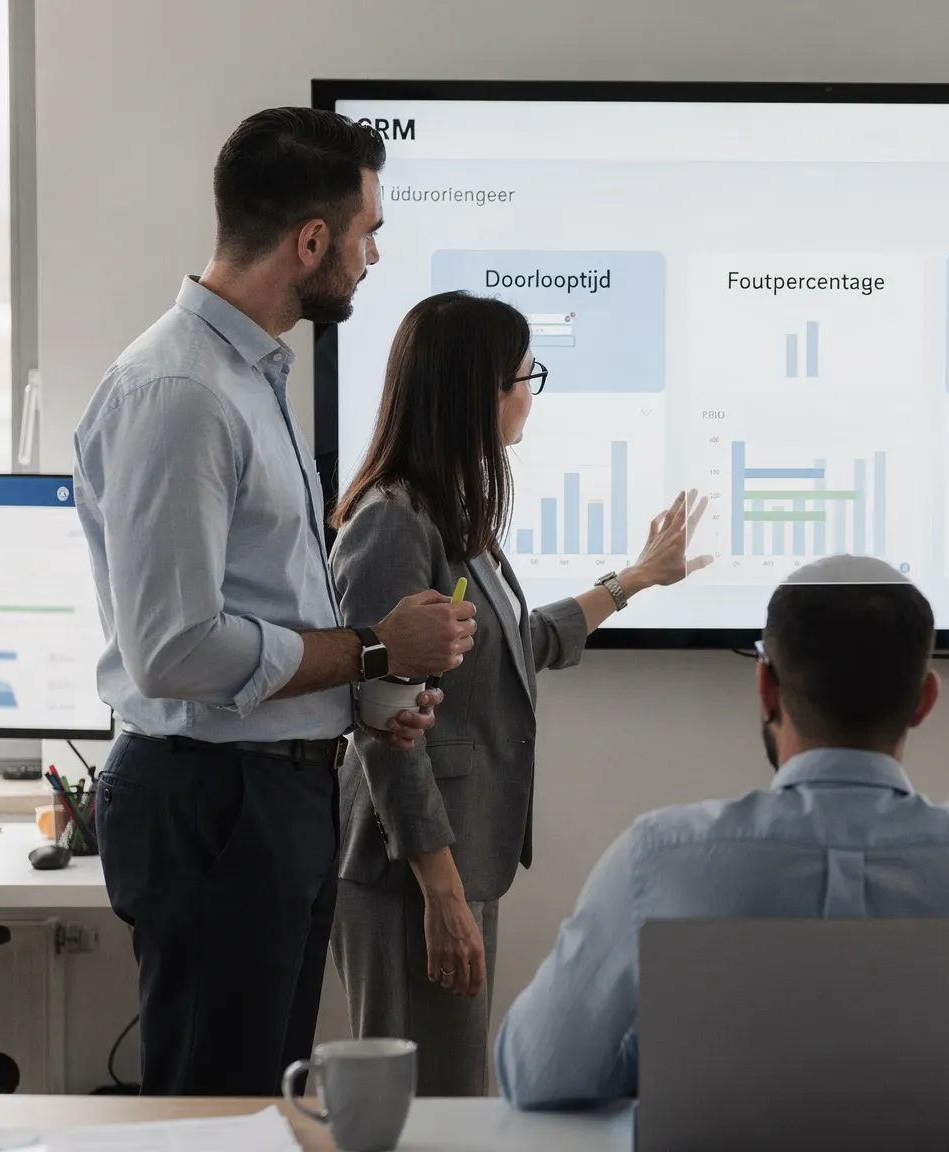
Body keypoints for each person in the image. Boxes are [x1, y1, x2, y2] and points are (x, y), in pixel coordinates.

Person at [75, 108, 477, 1096]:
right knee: (220, 1114)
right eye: (367, 231)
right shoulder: (183, 393)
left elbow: (261, 609)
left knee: (261, 1103)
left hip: (272, 792)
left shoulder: (249, 377)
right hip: (216, 802)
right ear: (310, 240)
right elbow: (176, 650)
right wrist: (376, 652)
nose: (374, 255)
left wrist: (359, 699)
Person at [495, 555, 949, 1111]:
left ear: (765, 688)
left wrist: (661, 1054)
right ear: (925, 700)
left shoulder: (658, 861)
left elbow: (539, 1071)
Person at [328, 291, 708, 1097]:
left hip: (459, 856)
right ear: (476, 391)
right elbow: (382, 717)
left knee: (453, 1095)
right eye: (521, 374)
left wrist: (634, 580)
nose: (529, 391)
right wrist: (440, 890)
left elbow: (516, 649)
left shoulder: (453, 512)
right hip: (413, 867)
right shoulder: (394, 522)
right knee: (424, 1110)